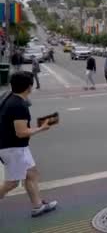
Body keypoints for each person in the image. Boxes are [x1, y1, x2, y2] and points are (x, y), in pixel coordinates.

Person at [0, 71, 58, 217]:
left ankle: (37, 206)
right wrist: (41, 128)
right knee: (12, 183)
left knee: (31, 174)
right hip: (13, 148)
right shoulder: (19, 105)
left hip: (16, 147)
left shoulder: (9, 96)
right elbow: (21, 132)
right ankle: (37, 205)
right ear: (29, 87)